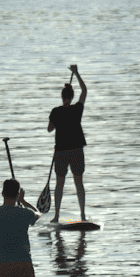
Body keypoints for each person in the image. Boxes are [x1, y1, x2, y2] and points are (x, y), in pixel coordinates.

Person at [47, 65, 88, 223]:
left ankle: (56, 216)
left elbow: (49, 129)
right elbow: (84, 91)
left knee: (59, 184)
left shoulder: (55, 112)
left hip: (61, 152)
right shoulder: (77, 109)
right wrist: (76, 73)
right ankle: (83, 215)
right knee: (79, 183)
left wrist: (57, 123)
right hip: (76, 150)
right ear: (71, 96)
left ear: (62, 96)